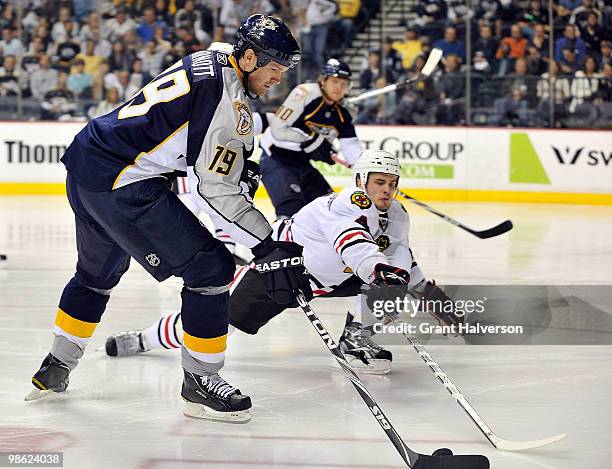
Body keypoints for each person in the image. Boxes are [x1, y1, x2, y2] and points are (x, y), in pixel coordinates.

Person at [25, 14, 311, 425]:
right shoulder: (228, 102)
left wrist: (239, 164)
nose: (277, 80)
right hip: (122, 182)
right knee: (212, 268)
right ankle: (200, 383)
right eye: (273, 69)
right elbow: (214, 187)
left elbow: (179, 137)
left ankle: (55, 366)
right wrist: (267, 245)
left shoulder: (208, 60)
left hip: (87, 161)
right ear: (248, 58)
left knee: (95, 275)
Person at [105, 150, 462, 375]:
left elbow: (398, 253)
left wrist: (422, 290)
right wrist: (380, 270)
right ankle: (144, 339)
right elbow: (351, 243)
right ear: (360, 182)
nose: (386, 190)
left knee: (387, 280)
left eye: (391, 183)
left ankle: (356, 338)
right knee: (217, 320)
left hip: (331, 278)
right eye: (378, 182)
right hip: (282, 270)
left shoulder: (396, 213)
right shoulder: (343, 205)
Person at [259, 58, 362, 219]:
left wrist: (363, 168)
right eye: (335, 82)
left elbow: (350, 145)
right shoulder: (306, 93)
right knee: (291, 213)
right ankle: (280, 244)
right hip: (276, 160)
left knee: (332, 211)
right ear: (323, 80)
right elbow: (278, 129)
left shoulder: (342, 113)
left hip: (302, 164)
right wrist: (313, 141)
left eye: (343, 84)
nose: (339, 87)